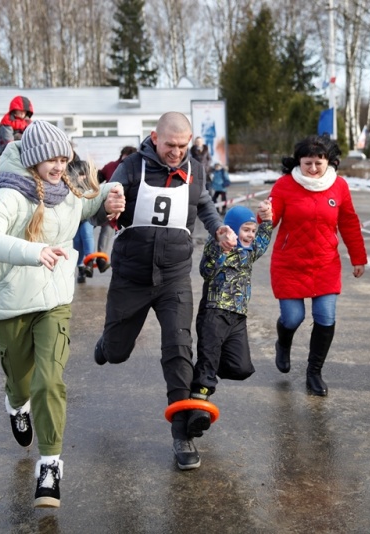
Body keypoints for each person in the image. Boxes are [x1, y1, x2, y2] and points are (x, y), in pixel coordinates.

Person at [0, 120, 125, 508]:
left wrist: (109, 192)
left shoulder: (66, 189)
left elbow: (86, 203)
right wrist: (33, 252)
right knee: (21, 381)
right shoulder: (10, 195)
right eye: (52, 160)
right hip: (12, 302)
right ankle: (15, 401)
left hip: (54, 300)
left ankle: (50, 464)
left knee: (49, 381)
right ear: (35, 158)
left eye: (64, 158)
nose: (59, 166)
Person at [92, 112, 237, 471]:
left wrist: (218, 229)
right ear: (154, 137)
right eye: (170, 144)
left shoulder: (196, 169)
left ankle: (181, 434)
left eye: (182, 145)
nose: (176, 152)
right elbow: (97, 211)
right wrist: (106, 208)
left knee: (178, 348)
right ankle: (107, 344)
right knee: (117, 352)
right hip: (132, 277)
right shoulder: (131, 167)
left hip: (174, 276)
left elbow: (203, 203)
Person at [269, 135, 367, 397]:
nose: (313, 169)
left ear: (328, 162)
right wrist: (264, 215)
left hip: (325, 264)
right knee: (293, 317)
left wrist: (358, 258)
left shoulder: (339, 186)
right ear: (298, 162)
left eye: (318, 163)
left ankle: (314, 372)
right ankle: (283, 342)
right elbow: (270, 218)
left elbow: (348, 223)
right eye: (307, 163)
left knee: (325, 317)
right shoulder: (284, 185)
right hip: (289, 263)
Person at [189, 204, 273, 433]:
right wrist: (221, 250)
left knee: (242, 368)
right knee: (208, 358)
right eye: (246, 229)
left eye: (252, 231)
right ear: (234, 229)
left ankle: (204, 370)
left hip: (237, 317)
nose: (251, 235)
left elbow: (264, 241)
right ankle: (198, 411)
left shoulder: (249, 252)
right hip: (214, 312)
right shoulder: (219, 245)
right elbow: (205, 271)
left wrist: (266, 221)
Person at [97, 146, 138, 273]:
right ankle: (101, 259)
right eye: (126, 157)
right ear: (122, 155)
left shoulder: (138, 169)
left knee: (125, 238)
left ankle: (123, 262)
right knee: (106, 230)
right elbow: (98, 178)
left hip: (129, 210)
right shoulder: (111, 166)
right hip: (111, 207)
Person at [68, 158, 96, 284]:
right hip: (74, 219)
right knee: (77, 243)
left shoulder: (91, 186)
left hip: (87, 218)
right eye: (80, 174)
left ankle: (90, 262)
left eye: (85, 174)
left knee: (87, 234)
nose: (83, 177)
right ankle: (81, 268)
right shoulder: (70, 187)